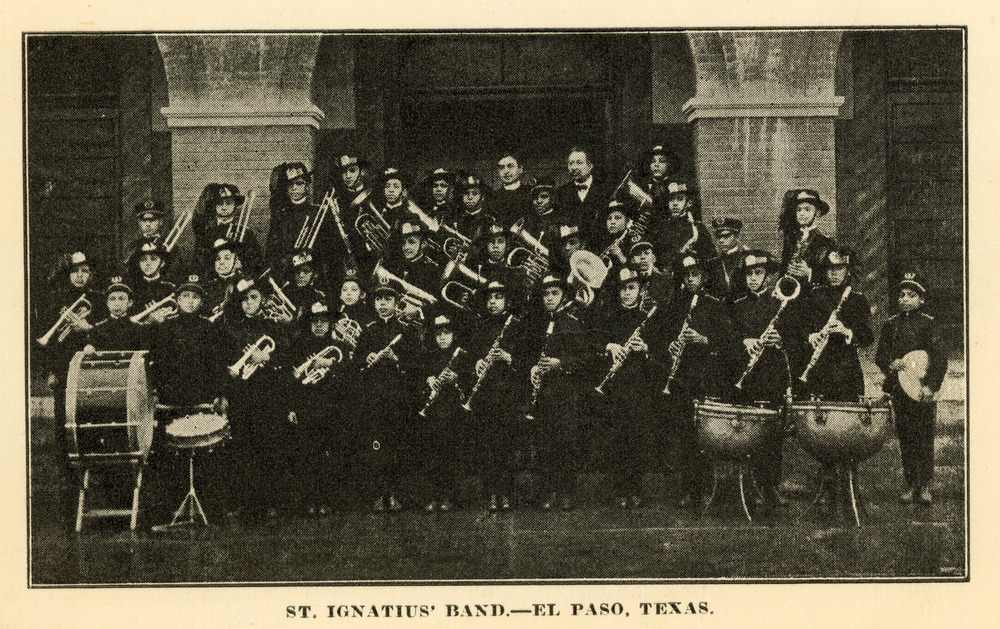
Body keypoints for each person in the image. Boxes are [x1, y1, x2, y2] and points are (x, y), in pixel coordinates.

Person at [647, 254, 737, 508]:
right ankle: (689, 488)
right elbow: (659, 338)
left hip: (705, 376)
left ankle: (709, 487)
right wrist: (671, 346)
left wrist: (703, 340)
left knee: (705, 435)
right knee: (684, 434)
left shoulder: (714, 304)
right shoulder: (674, 304)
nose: (690, 280)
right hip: (681, 379)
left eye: (695, 275)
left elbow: (729, 344)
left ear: (704, 277)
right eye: (686, 276)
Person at [795, 247, 875, 519]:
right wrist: (812, 337)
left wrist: (847, 331)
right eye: (829, 269)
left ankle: (848, 487)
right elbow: (801, 329)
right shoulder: (814, 296)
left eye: (839, 269)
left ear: (847, 270)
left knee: (847, 428)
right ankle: (826, 487)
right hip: (820, 371)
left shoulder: (857, 299)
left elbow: (866, 337)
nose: (834, 274)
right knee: (823, 428)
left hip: (847, 372)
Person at [144, 274, 227, 527]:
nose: (189, 301)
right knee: (170, 457)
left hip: (201, 399)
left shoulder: (210, 328)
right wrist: (159, 392)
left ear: (201, 302)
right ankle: (167, 511)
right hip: (172, 400)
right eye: (185, 297)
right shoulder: (165, 328)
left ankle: (210, 510)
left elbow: (217, 365)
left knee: (205, 454)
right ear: (177, 300)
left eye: (195, 297)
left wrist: (218, 394)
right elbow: (156, 365)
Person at [512, 273, 590, 510]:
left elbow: (586, 359)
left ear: (563, 295)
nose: (549, 298)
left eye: (554, 293)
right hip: (543, 394)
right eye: (545, 294)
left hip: (565, 393)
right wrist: (533, 368)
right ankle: (547, 492)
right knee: (544, 444)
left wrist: (560, 363)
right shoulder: (536, 324)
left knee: (565, 443)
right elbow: (524, 356)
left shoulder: (573, 323)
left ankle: (565, 492)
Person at [729, 251, 799, 513]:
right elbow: (727, 338)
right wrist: (743, 341)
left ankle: (771, 487)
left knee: (773, 435)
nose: (753, 279)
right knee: (749, 434)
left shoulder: (780, 304)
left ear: (768, 276)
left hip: (772, 376)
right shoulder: (736, 305)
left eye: (758, 273)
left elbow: (795, 341)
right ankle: (751, 487)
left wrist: (780, 342)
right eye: (749, 274)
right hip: (746, 379)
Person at [38, 251, 102, 529]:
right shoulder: (56, 300)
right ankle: (68, 481)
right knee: (64, 425)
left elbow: (102, 331)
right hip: (64, 369)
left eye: (85, 271)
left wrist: (87, 328)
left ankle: (93, 479)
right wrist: (50, 371)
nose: (80, 276)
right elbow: (48, 339)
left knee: (90, 421)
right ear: (68, 273)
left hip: (90, 370)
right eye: (76, 271)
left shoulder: (97, 300)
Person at [876, 270, 948, 506]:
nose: (905, 299)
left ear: (921, 300)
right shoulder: (891, 325)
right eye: (902, 295)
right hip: (900, 388)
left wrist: (931, 386)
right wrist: (890, 363)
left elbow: (939, 359)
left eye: (911, 295)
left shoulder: (929, 324)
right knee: (905, 435)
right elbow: (881, 354)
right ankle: (910, 484)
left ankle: (925, 485)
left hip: (921, 389)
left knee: (924, 435)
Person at [218, 277, 288, 521]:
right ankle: (246, 503)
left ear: (263, 300)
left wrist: (266, 359)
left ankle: (268, 502)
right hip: (241, 396)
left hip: (267, 396)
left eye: (254, 298)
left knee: (267, 447)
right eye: (244, 300)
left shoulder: (274, 328)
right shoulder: (231, 329)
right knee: (242, 448)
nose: (249, 303)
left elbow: (286, 362)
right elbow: (226, 364)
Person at [594, 266, 658, 508]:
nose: (627, 294)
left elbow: (660, 355)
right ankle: (620, 487)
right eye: (623, 289)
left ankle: (635, 487)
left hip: (640, 387)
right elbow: (594, 344)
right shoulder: (609, 317)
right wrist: (609, 346)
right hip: (615, 388)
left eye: (632, 288)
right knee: (617, 438)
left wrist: (646, 349)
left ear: (640, 290)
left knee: (638, 438)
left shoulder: (648, 319)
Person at [354, 284, 420, 512]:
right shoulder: (368, 331)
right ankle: (379, 494)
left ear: (395, 303)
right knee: (376, 448)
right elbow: (356, 364)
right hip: (375, 398)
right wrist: (366, 357)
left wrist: (396, 359)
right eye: (378, 300)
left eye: (387, 300)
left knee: (397, 446)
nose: (382, 304)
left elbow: (415, 366)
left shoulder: (407, 330)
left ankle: (395, 494)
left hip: (398, 398)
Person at [285, 302, 353, 515]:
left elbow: (348, 377)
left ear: (330, 324)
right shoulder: (298, 346)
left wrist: (329, 365)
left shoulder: (340, 347)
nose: (319, 326)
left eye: (323, 322)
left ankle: (327, 500)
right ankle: (309, 501)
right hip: (306, 407)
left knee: (331, 456)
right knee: (307, 455)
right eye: (315, 322)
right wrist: (292, 407)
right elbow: (291, 381)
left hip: (332, 407)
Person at [466, 281, 521, 511]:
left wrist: (508, 357)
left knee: (505, 446)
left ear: (506, 301)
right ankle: (490, 494)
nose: (493, 302)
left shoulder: (516, 326)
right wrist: (477, 362)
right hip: (485, 395)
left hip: (507, 392)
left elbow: (526, 357)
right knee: (486, 446)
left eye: (498, 297)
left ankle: (506, 493)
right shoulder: (480, 326)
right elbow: (470, 355)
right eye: (489, 298)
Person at [416, 314, 471, 512]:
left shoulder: (461, 356)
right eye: (438, 333)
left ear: (454, 334)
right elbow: (419, 377)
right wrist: (429, 380)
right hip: (433, 412)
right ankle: (433, 496)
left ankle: (449, 496)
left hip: (454, 411)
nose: (442, 337)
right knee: (432, 455)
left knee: (452, 454)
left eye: (447, 333)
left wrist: (456, 377)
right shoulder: (428, 356)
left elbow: (469, 381)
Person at [193, 183, 262, 275]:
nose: (224, 207)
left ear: (235, 205)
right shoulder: (207, 233)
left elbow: (256, 262)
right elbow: (200, 262)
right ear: (214, 205)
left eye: (229, 203)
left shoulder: (246, 233)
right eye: (220, 203)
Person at [651, 180, 716, 270]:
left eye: (680, 199)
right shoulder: (662, 228)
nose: (675, 203)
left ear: (689, 203)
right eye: (671, 200)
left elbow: (711, 257)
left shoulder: (698, 228)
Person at [554, 146, 611, 246]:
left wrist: (575, 229)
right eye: (570, 163)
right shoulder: (561, 193)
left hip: (600, 246)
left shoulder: (605, 190)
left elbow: (605, 223)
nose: (574, 167)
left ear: (590, 165)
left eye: (579, 163)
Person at [779, 189, 836, 287]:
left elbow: (831, 276)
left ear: (817, 213)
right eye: (799, 210)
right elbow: (783, 270)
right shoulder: (791, 239)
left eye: (807, 209)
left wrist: (809, 273)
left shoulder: (826, 242)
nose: (802, 213)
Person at [126, 239, 176, 326]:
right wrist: (149, 320)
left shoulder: (170, 288)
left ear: (162, 263)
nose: (148, 263)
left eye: (153, 259)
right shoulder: (131, 288)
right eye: (143, 259)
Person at [201, 238, 246, 322]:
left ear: (237, 261)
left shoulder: (244, 283)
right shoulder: (207, 285)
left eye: (227, 258)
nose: (221, 262)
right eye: (218, 259)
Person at [486, 151, 532, 228]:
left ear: (520, 169)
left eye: (510, 166)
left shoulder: (531, 193)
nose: (506, 171)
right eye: (501, 167)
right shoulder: (493, 197)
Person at [710, 216, 749, 299]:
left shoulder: (747, 258)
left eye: (726, 236)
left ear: (737, 236)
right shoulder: (713, 263)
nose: (721, 240)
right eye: (718, 236)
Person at [281, 250, 328, 317]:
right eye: (297, 270)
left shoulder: (318, 297)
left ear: (315, 274)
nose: (301, 275)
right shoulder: (285, 292)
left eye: (306, 271)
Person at [628, 240, 673, 310]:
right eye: (638, 254)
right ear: (632, 260)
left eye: (646, 253)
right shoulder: (627, 281)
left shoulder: (665, 279)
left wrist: (656, 305)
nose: (642, 257)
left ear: (653, 258)